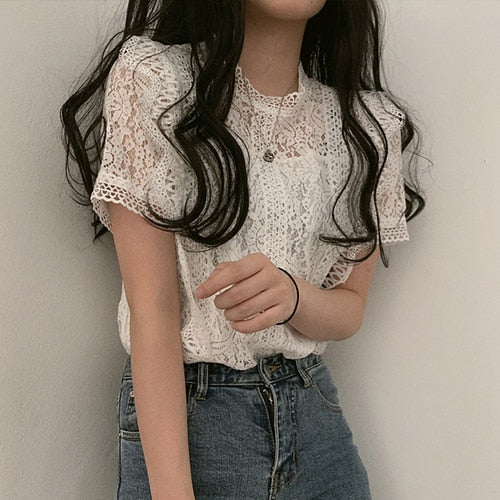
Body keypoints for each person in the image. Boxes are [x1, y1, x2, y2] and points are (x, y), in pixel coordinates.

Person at [61, 0, 425, 498]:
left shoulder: (366, 127)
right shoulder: (157, 82)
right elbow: (154, 311)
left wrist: (293, 296)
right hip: (193, 419)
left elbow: (350, 309)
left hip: (315, 420)